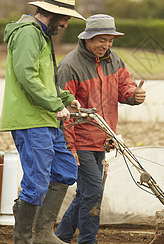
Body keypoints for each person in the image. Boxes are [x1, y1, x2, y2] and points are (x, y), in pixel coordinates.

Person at [0, 0, 85, 244]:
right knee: (36, 182)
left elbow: (44, 81)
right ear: (52, 13)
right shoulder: (28, 34)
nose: (66, 23)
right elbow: (26, 75)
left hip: (46, 118)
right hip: (30, 120)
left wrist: (66, 99)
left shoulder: (42, 36)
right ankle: (25, 239)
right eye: (65, 18)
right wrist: (53, 104)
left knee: (65, 170)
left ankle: (44, 234)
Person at [55, 14, 146, 244]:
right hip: (81, 141)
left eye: (110, 40)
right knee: (94, 192)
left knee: (87, 193)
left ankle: (61, 237)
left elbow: (125, 86)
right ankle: (88, 240)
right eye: (101, 40)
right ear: (87, 39)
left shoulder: (113, 60)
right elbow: (63, 112)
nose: (106, 45)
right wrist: (70, 149)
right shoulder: (69, 66)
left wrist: (134, 95)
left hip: (103, 138)